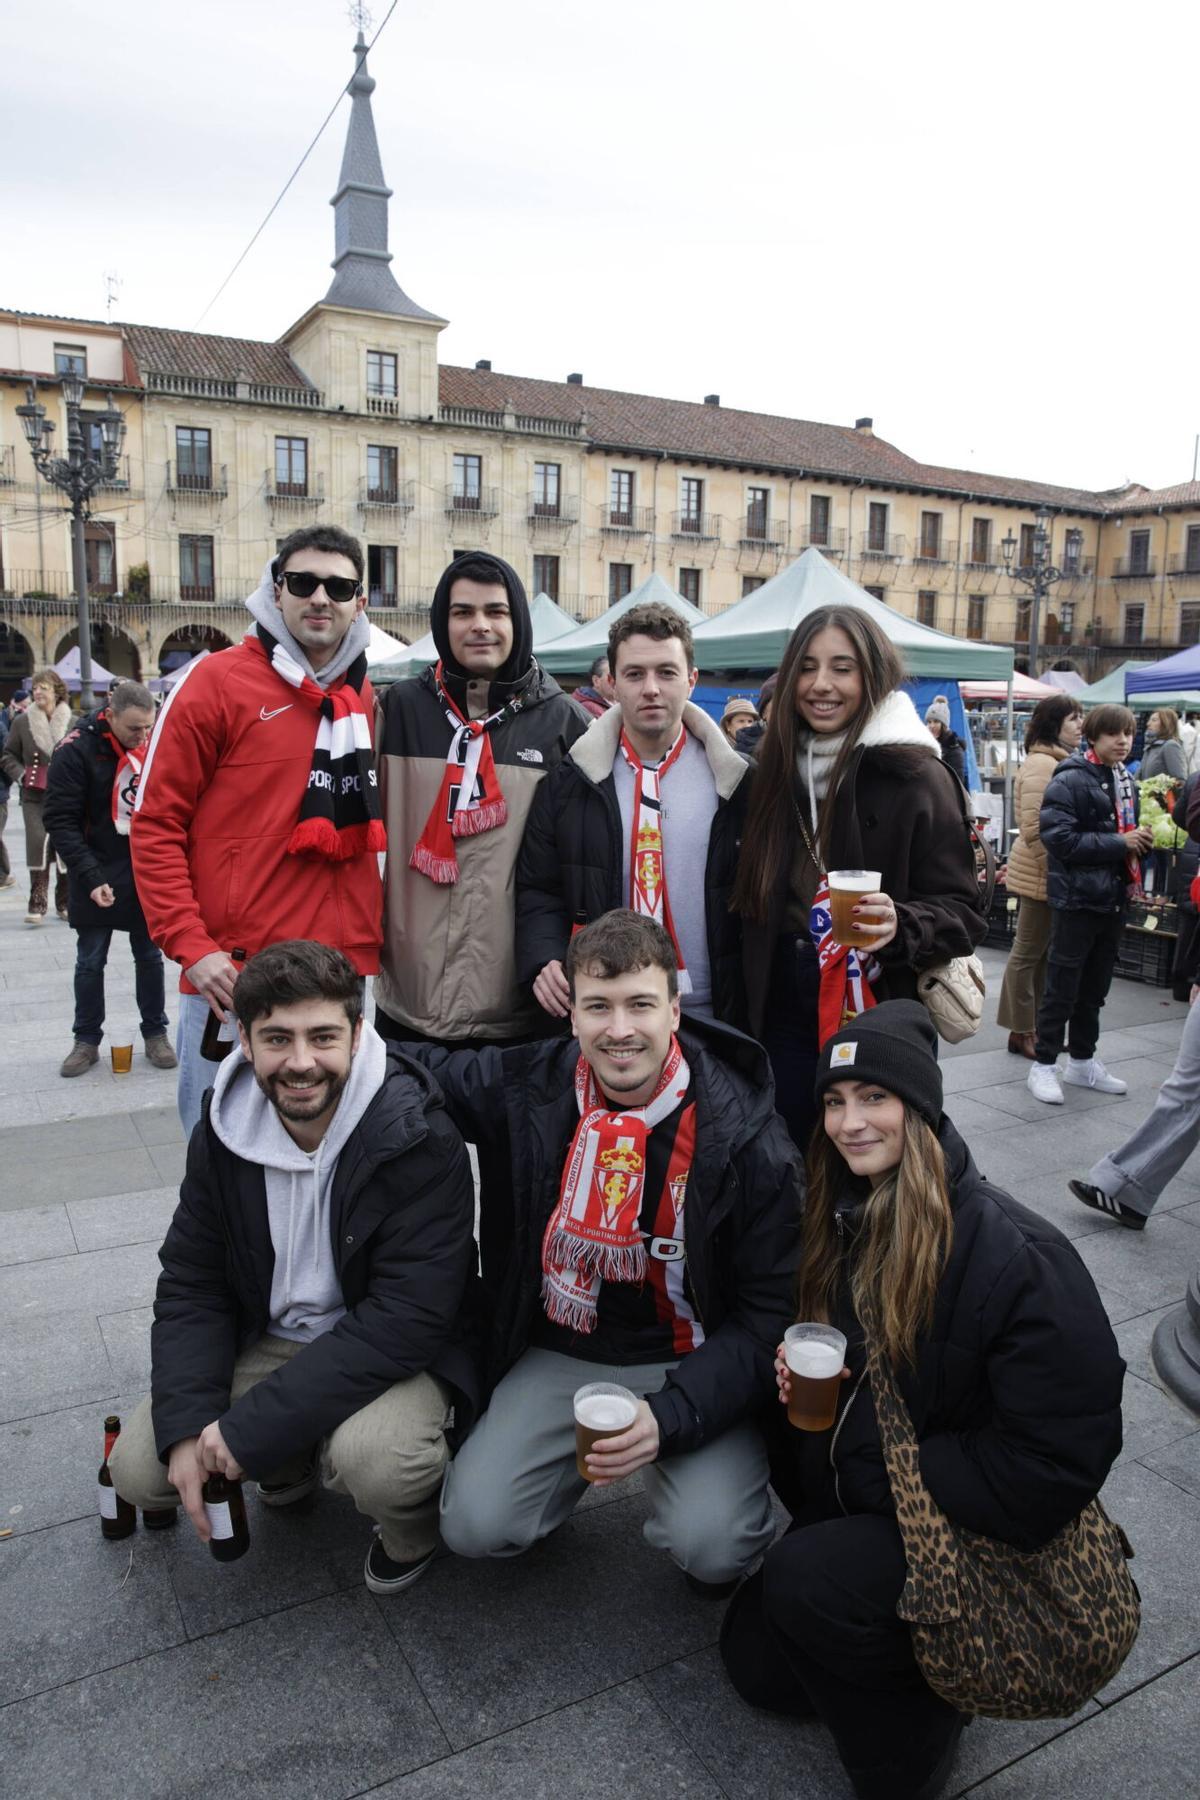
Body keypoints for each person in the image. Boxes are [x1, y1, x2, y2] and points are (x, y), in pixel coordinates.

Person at [720, 1001, 1125, 1800]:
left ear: (921, 1107)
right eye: (834, 1102)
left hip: (979, 1531)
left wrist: (883, 1469)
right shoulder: (844, 1215)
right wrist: (823, 1395)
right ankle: (885, 1643)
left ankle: (917, 1746)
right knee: (755, 1667)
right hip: (874, 1495)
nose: (848, 1122)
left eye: (875, 1098)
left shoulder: (1018, 1257)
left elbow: (1058, 1461)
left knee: (805, 1584)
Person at [409, 911, 802, 1593]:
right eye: (598, 1006)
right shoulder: (531, 1083)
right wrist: (328, 1043)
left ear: (675, 1011)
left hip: (692, 1352)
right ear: (572, 1018)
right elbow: (424, 1068)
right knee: (475, 1526)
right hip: (566, 1346)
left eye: (640, 1005)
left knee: (716, 1550)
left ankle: (698, 1484)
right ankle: (546, 1489)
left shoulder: (747, 1133)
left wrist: (670, 1418)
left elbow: (772, 1313)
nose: (619, 1029)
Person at [107, 940, 481, 1595]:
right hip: (273, 1333)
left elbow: (406, 1321)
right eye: (277, 1038)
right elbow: (192, 1285)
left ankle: (412, 1529)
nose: (301, 1062)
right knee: (144, 1470)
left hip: (391, 1345)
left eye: (322, 1036)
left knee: (377, 1461)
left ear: (358, 1035)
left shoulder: (417, 1134)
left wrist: (251, 1428)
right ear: (244, 1042)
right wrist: (194, 1423)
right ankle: (289, 1465)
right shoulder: (221, 1134)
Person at [131, 525, 385, 1137]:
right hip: (234, 979)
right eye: (303, 582)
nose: (320, 597)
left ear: (361, 602)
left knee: (332, 1163)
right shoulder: (215, 681)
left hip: (337, 981)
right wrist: (196, 949)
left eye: (339, 585)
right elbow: (155, 825)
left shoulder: (362, 696)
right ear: (277, 591)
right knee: (217, 1161)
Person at [732, 606, 985, 1149]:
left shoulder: (917, 775)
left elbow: (963, 911)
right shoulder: (771, 772)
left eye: (842, 668)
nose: (822, 685)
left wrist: (902, 922)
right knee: (785, 1151)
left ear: (872, 674)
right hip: (782, 998)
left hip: (878, 1000)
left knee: (869, 1160)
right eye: (808, 667)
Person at [374, 549, 587, 1049]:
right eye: (462, 612)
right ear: (441, 622)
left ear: (518, 620)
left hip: (520, 1012)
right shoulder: (398, 710)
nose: (480, 626)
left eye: (496, 611)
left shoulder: (564, 723)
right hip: (408, 1005)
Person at [517, 601, 750, 1025]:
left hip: (716, 1010)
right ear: (612, 683)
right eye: (635, 674)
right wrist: (543, 955)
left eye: (666, 672)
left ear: (692, 680)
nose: (651, 688)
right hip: (611, 1015)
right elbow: (539, 887)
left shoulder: (737, 783)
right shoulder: (570, 782)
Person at [42, 680, 176, 1078]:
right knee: (90, 960)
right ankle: (86, 1040)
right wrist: (90, 875)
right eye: (134, 728)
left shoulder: (151, 745)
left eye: (148, 727)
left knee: (150, 956)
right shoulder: (76, 749)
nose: (143, 736)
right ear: (110, 715)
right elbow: (60, 820)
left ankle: (156, 1033)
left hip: (142, 867)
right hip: (93, 865)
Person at [1028, 703, 1152, 1104]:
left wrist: (1138, 843)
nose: (1123, 741)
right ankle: (1044, 1064)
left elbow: (1121, 833)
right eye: (1115, 733)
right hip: (1079, 899)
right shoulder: (1071, 776)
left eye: (1129, 733)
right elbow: (1058, 839)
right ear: (1094, 737)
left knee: (1095, 988)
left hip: (1112, 897)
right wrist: (1121, 843)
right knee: (1062, 986)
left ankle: (1082, 1061)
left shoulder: (1124, 778)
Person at [996, 694, 1084, 1058]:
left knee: (1041, 955)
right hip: (1040, 874)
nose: (1081, 725)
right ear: (1054, 723)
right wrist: (1057, 871)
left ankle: (1032, 1029)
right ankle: (1021, 1031)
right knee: (1027, 954)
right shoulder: (1041, 764)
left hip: (1050, 874)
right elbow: (1034, 827)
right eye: (1073, 718)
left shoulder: (1058, 761)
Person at [1, 669, 72, 925]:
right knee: (38, 844)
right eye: (35, 689)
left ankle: (65, 901)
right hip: (34, 795)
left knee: (65, 844)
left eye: (43, 687)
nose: (38, 692)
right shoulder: (22, 722)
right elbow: (7, 755)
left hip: (65, 796)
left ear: (56, 690)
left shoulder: (72, 721)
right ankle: (37, 902)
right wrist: (22, 776)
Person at [923, 698, 967, 785]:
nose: (932, 725)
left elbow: (957, 782)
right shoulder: (925, 745)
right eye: (929, 722)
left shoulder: (954, 749)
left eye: (936, 721)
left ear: (944, 725)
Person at [1139, 708, 1187, 782]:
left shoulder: (1170, 746)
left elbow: (1180, 780)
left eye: (1154, 720)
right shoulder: (1150, 747)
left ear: (1166, 723)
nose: (1148, 723)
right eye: (1149, 720)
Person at [735, 672, 776, 756]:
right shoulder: (744, 753)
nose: (746, 724)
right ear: (764, 713)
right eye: (741, 721)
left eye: (750, 721)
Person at [574, 653, 615, 719]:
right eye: (611, 676)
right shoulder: (590, 708)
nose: (616, 680)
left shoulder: (618, 703)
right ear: (596, 681)